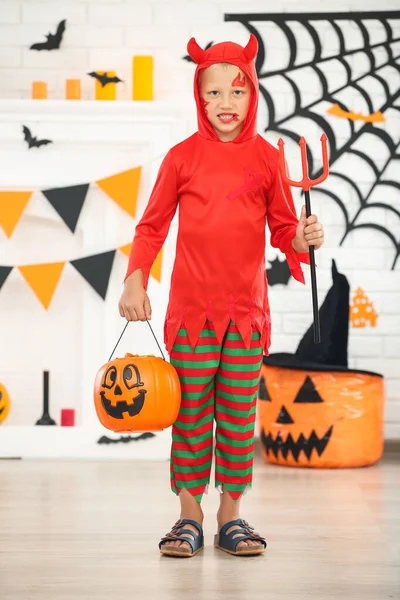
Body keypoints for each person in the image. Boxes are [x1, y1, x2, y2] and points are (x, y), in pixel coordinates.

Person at [118, 35, 325, 557]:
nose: (226, 104)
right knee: (189, 415)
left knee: (235, 415)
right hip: (191, 314)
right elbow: (151, 226)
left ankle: (231, 515)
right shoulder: (182, 158)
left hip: (247, 315)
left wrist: (302, 237)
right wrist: (134, 278)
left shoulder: (266, 159)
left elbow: (283, 230)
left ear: (252, 94)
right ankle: (189, 515)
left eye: (236, 92)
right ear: (199, 96)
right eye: (213, 94)